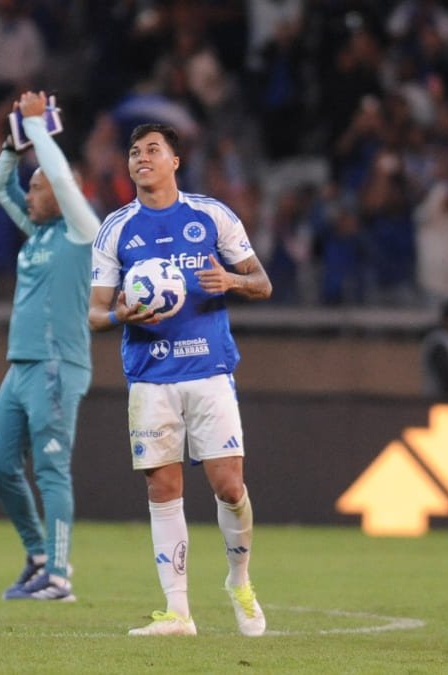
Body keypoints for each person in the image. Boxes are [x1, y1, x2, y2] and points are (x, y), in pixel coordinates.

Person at [88, 123, 272, 637]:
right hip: (151, 377)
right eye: (134, 152)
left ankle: (239, 581)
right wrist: (124, 314)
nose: (141, 158)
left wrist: (231, 280)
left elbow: (263, 282)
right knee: (163, 488)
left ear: (175, 161)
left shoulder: (211, 215)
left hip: (209, 371)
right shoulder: (117, 229)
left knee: (229, 485)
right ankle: (178, 613)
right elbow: (95, 315)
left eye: (152, 150)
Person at [0, 91, 99, 601]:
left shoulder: (82, 233)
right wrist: (14, 145)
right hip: (21, 367)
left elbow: (63, 180)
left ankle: (59, 575)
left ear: (59, 189)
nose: (29, 195)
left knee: (51, 469)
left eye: (37, 186)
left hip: (57, 366)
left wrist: (38, 132)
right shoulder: (37, 233)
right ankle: (36, 554)